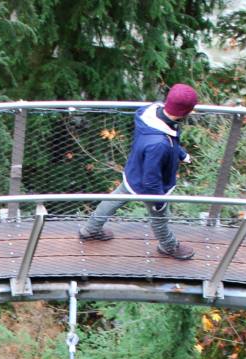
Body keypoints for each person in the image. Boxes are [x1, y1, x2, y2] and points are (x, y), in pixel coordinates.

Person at [78, 83, 198, 260]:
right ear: (184, 113)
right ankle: (168, 246)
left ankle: (90, 229)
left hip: (134, 171)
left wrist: (181, 154)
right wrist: (158, 201)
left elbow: (171, 140)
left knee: (113, 200)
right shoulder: (159, 144)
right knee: (159, 217)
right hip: (149, 186)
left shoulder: (150, 115)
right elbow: (151, 179)